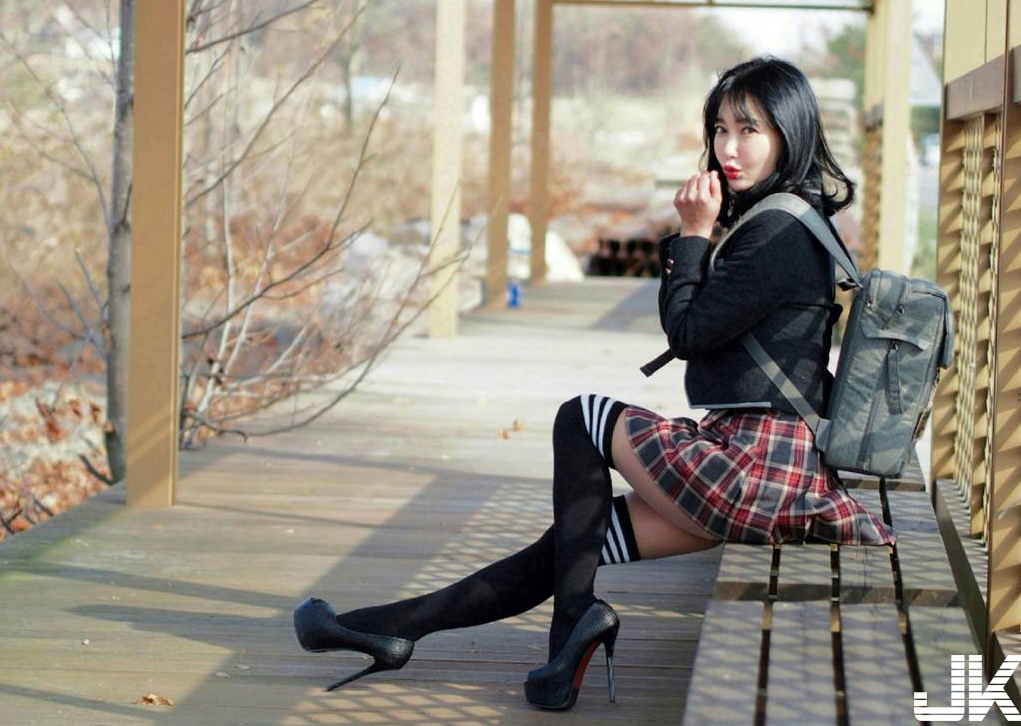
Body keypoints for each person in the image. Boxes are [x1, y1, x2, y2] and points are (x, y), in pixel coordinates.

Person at [292, 56, 895, 710]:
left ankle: (569, 629)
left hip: (755, 467)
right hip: (772, 473)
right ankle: (390, 631)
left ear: (789, 134)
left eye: (748, 130)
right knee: (571, 546)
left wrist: (693, 234)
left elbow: (687, 332)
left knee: (581, 418)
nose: (727, 147)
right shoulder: (792, 219)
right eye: (720, 129)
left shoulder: (779, 230)